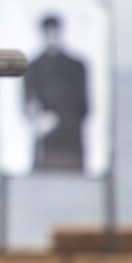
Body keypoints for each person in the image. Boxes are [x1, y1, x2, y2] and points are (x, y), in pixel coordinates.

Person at [24, 14, 88, 171]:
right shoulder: (33, 67)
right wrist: (39, 119)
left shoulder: (75, 65)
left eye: (54, 32)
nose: (51, 37)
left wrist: (61, 119)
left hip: (71, 139)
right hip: (45, 144)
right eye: (48, 33)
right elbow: (28, 104)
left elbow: (84, 106)